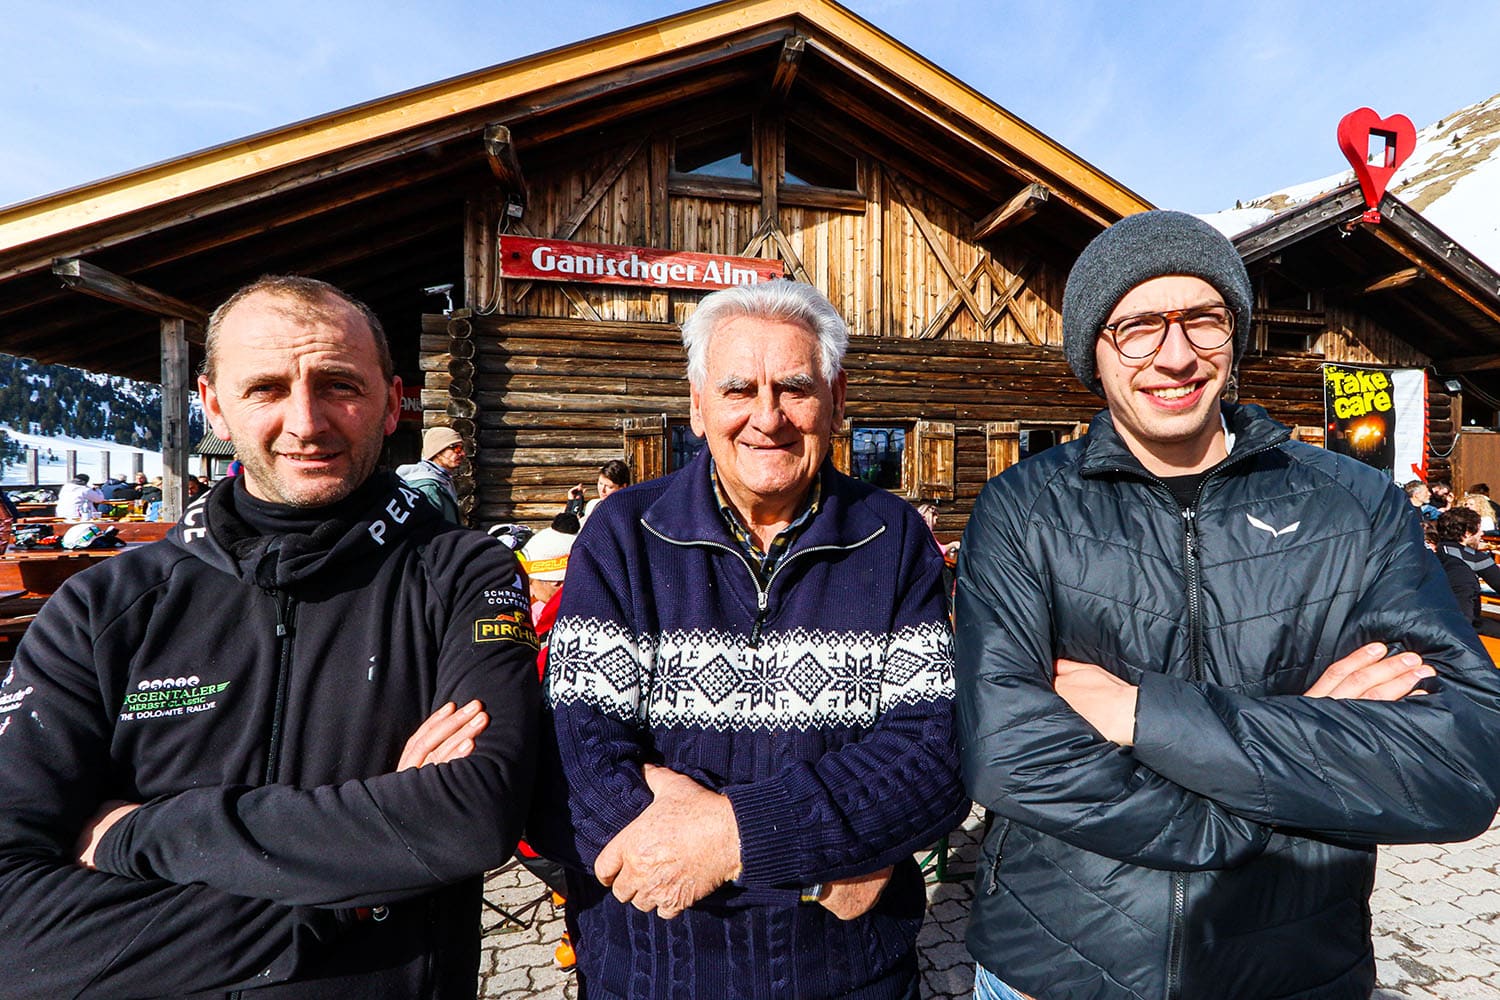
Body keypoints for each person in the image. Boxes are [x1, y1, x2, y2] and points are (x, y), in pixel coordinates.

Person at [955, 210, 1500, 1000]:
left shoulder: (1350, 505)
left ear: (1234, 334)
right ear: (1094, 352)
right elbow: (1009, 753)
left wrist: (1143, 715)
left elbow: (1460, 764)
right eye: (1140, 326)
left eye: (1204, 320)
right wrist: (1276, 775)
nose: (1176, 356)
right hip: (1058, 967)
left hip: (1296, 967)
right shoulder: (1023, 511)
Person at [0, 274, 540, 998]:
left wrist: (141, 836)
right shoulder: (103, 607)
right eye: (266, 389)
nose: (307, 421)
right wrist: (355, 895)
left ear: (391, 404)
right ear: (214, 406)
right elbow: (12, 925)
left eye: (339, 384)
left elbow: (468, 816)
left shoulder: (461, 573)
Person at [532, 280, 967, 1000]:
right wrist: (824, 865)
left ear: (836, 398)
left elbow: (933, 758)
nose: (767, 417)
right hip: (652, 971)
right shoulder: (623, 537)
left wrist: (733, 835)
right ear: (698, 405)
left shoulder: (894, 542)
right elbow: (574, 760)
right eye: (739, 389)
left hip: (848, 976)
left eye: (794, 388)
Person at [1436, 506, 1500, 637]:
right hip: (1463, 627)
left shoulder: (1436, 551)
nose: (1482, 533)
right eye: (1478, 529)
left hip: (1435, 621)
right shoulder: (1472, 557)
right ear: (1467, 533)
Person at [398, 426, 466, 524]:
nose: (462, 453)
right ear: (438, 451)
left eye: (462, 448)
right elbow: (429, 531)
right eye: (456, 448)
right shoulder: (428, 488)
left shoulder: (443, 480)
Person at [564, 458, 631, 521]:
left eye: (609, 487)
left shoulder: (627, 512)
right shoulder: (593, 505)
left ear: (623, 487)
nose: (602, 490)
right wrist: (573, 504)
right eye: (600, 483)